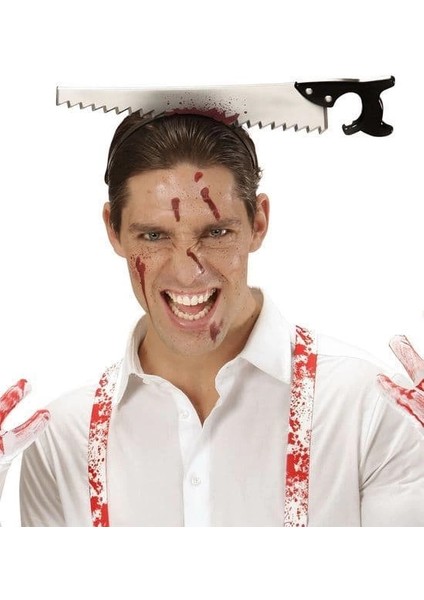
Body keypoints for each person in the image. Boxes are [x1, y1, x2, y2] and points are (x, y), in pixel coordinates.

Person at [1, 111, 424, 526]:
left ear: (259, 223)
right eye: (154, 236)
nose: (188, 273)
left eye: (216, 233)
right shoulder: (61, 439)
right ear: (114, 231)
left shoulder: (369, 409)